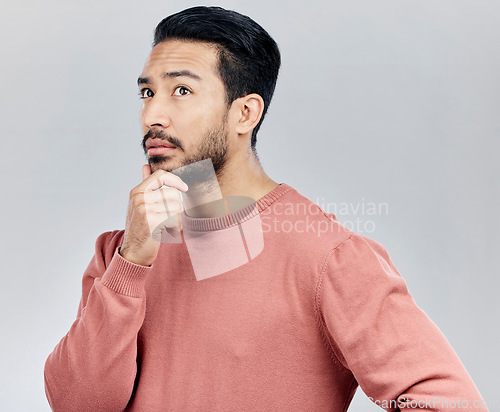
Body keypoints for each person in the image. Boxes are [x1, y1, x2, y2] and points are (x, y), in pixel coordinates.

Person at [44, 6, 487, 411]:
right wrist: (131, 263)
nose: (152, 115)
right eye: (146, 92)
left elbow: (450, 402)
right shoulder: (120, 254)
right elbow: (78, 404)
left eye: (181, 90)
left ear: (245, 114)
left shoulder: (330, 256)